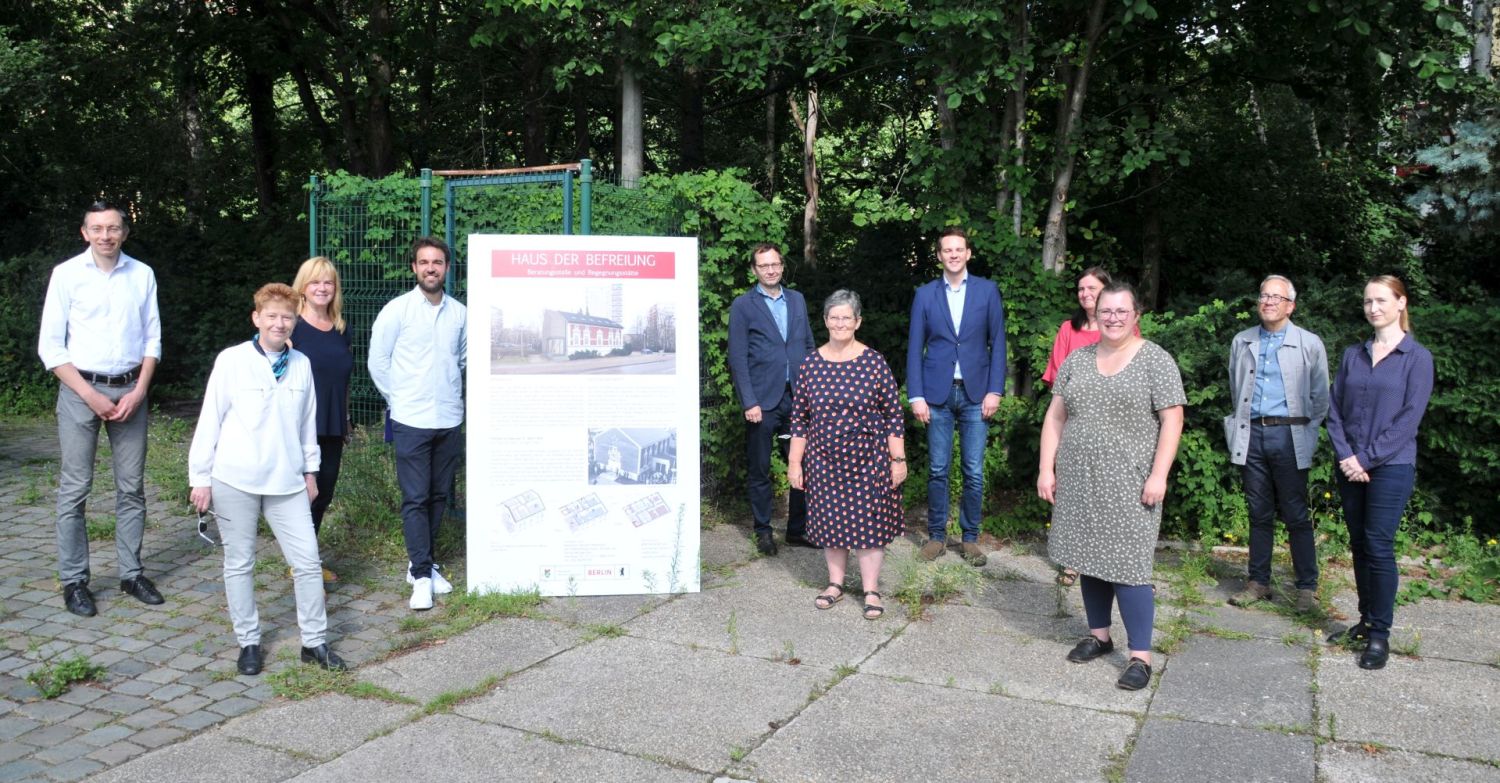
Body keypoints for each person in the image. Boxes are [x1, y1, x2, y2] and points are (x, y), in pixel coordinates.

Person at [188, 283, 346, 675]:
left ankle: (314, 642)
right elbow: (210, 419)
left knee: (308, 562)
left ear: (295, 321)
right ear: (256, 318)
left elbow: (308, 424)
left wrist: (311, 471)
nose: (280, 323)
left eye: (287, 317)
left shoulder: (301, 363)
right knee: (240, 563)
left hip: (287, 480)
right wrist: (200, 477)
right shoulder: (232, 361)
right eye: (272, 316)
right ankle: (249, 642)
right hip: (234, 479)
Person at [1037, 283, 1185, 691]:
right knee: (1089, 556)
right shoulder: (1077, 360)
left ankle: (1140, 656)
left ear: (1136, 314)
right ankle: (1099, 636)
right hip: (1080, 479)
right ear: (1095, 313)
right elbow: (1055, 418)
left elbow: (1173, 421)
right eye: (1106, 310)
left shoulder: (1156, 360)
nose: (1113, 317)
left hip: (1131, 483)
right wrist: (1045, 468)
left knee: (1131, 567)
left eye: (1122, 310)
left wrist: (1159, 474)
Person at [38, 202, 165, 617]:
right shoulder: (67, 275)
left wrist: (139, 391)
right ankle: (75, 581)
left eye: (113, 228)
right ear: (84, 233)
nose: (105, 235)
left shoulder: (142, 274)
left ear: (124, 233)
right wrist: (89, 395)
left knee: (132, 487)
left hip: (131, 389)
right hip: (80, 390)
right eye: (97, 228)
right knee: (75, 489)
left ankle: (131, 573)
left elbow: (152, 340)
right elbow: (51, 347)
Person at [1325, 275, 1433, 671]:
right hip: (1350, 464)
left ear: (1401, 303)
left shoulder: (1417, 358)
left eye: (1382, 301)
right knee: (1359, 544)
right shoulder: (1353, 354)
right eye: (1368, 301)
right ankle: (1365, 619)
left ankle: (1380, 635)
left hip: (1390, 466)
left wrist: (1365, 459)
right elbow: (1334, 409)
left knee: (1378, 545)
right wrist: (1347, 456)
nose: (1373, 308)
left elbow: (1408, 421)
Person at [788, 290, 906, 620]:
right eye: (834, 317)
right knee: (830, 522)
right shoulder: (811, 363)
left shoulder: (873, 361)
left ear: (858, 322)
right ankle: (835, 584)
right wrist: (795, 462)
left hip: (870, 459)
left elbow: (893, 414)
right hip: (823, 460)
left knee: (869, 524)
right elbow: (800, 417)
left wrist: (898, 459)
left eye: (847, 317)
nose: (840, 323)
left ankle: (871, 589)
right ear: (825, 321)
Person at [369, 237, 467, 611]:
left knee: (439, 495)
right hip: (410, 419)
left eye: (437, 262)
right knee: (415, 498)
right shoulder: (396, 310)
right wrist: (401, 401)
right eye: (424, 262)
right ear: (414, 268)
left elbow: (462, 359)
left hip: (448, 419)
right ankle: (422, 578)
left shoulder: (460, 313)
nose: (431, 268)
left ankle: (419, 564)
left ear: (446, 268)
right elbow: (378, 361)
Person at [1225, 275, 1330, 612]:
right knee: (1258, 512)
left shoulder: (1309, 343)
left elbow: (1320, 399)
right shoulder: (1242, 341)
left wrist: (1306, 431)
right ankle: (1258, 582)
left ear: (1291, 306)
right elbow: (1234, 386)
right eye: (1264, 295)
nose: (1268, 301)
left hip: (1290, 435)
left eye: (1276, 297)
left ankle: (1306, 587)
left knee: (1297, 513)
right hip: (1252, 434)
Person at [907, 227, 1005, 567]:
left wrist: (995, 389)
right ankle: (936, 536)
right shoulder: (924, 294)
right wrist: (915, 395)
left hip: (977, 394)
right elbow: (914, 346)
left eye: (958, 249)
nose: (953, 254)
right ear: (938, 256)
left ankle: (969, 538)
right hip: (937, 394)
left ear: (968, 254)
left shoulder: (988, 291)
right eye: (946, 250)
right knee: (937, 468)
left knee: (974, 470)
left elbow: (998, 343)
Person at [1040, 266, 1135, 586]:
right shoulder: (1069, 329)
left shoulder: (1124, 331)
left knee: (1109, 495)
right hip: (1073, 422)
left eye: (1091, 288)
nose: (1085, 294)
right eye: (1081, 289)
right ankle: (1071, 559)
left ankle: (1107, 557)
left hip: (1113, 431)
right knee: (1072, 494)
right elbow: (1057, 378)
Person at [727, 243, 816, 556]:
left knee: (805, 464)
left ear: (782, 266)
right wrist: (748, 401)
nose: (770, 270)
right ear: (754, 270)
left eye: (775, 264)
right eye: (763, 266)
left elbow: (807, 345)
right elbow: (737, 357)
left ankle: (797, 530)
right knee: (761, 469)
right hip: (762, 401)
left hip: (799, 397)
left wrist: (814, 390)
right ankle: (763, 531)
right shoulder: (743, 305)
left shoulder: (797, 300)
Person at [290, 256, 353, 583]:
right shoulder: (291, 328)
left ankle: (305, 561)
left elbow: (341, 379)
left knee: (323, 493)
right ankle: (303, 568)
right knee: (303, 495)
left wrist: (345, 419)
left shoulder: (342, 328)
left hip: (331, 425)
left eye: (328, 282)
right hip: (300, 427)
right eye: (315, 281)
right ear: (303, 286)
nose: (322, 288)